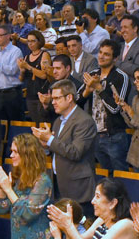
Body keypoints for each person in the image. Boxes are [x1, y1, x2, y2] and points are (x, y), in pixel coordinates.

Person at [33, 79, 97, 207]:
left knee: (80, 226)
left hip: (77, 188)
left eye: (57, 98)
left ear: (69, 98)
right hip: (59, 183)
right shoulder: (58, 121)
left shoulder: (84, 121)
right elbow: (57, 149)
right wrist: (46, 145)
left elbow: (75, 152)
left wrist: (50, 140)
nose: (53, 102)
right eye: (52, 99)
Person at [82, 40, 131, 173]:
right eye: (100, 53)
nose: (101, 56)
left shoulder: (121, 77)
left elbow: (116, 108)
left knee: (120, 175)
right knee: (105, 175)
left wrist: (98, 88)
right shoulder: (93, 74)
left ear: (115, 58)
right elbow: (78, 100)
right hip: (95, 135)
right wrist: (87, 90)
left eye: (107, 54)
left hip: (114, 135)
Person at [18, 30, 52, 123]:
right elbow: (21, 79)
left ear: (39, 41)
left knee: (44, 121)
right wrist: (22, 70)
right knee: (35, 122)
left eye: (33, 41)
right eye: (29, 41)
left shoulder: (44, 55)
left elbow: (44, 75)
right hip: (30, 95)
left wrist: (28, 67)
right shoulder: (26, 57)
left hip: (42, 94)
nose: (30, 43)